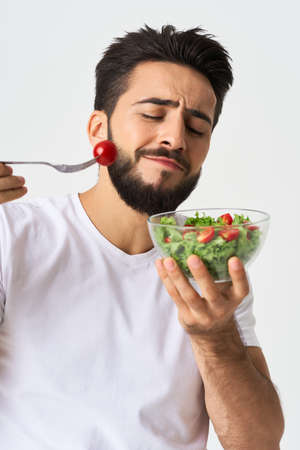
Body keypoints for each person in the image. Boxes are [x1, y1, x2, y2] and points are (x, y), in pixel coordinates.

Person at [0, 25, 284, 449]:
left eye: (197, 127)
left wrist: (215, 338)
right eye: (153, 114)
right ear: (99, 130)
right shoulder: (13, 234)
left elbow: (257, 442)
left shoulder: (210, 263)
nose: (174, 138)